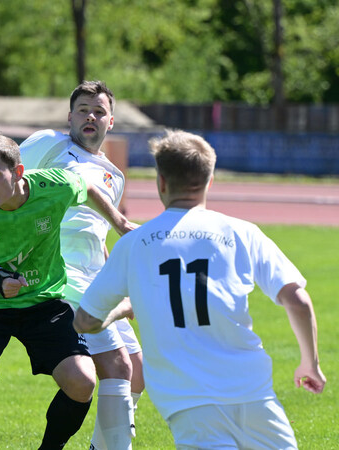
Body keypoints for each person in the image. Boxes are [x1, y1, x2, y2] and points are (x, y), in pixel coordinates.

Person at [74, 130, 326, 448]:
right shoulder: (243, 232)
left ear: (161, 183)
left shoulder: (135, 244)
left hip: (187, 401)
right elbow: (298, 300)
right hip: (253, 393)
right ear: (209, 181)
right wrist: (310, 363)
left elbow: (86, 320)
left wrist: (125, 308)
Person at [0, 132, 135, 449]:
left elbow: (88, 188)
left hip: (44, 304)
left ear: (19, 172)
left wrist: (120, 223)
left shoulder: (53, 186)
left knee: (81, 383)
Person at [20, 80, 143, 450]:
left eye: (99, 111)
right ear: (69, 116)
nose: (91, 116)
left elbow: (99, 237)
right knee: (118, 367)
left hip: (96, 279)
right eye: (83, 109)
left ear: (111, 121)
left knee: (137, 373)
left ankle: (100, 446)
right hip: (60, 275)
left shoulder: (114, 176)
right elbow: (3, 181)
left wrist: (118, 286)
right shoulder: (49, 144)